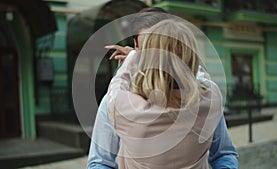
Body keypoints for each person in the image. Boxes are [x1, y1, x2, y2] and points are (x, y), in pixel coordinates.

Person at [87, 8, 238, 169]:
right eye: (151, 48)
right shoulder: (210, 96)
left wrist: (132, 61)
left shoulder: (117, 102)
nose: (161, 55)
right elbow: (100, 163)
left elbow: (223, 153)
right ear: (136, 45)